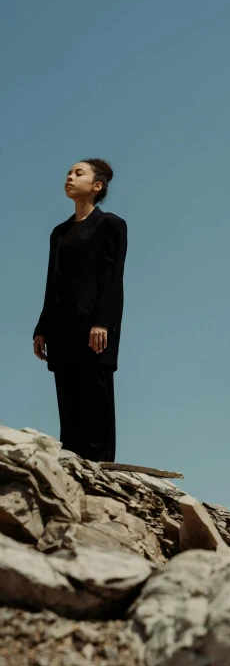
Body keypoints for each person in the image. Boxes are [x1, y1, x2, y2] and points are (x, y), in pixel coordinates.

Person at [33, 159, 127, 463]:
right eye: (68, 173)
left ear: (97, 186)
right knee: (69, 408)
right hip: (62, 330)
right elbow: (52, 282)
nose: (69, 177)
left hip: (95, 329)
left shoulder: (111, 224)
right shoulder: (58, 233)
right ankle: (72, 473)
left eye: (78, 173)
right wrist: (41, 327)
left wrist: (103, 322)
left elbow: (113, 279)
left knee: (96, 406)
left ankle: (101, 473)